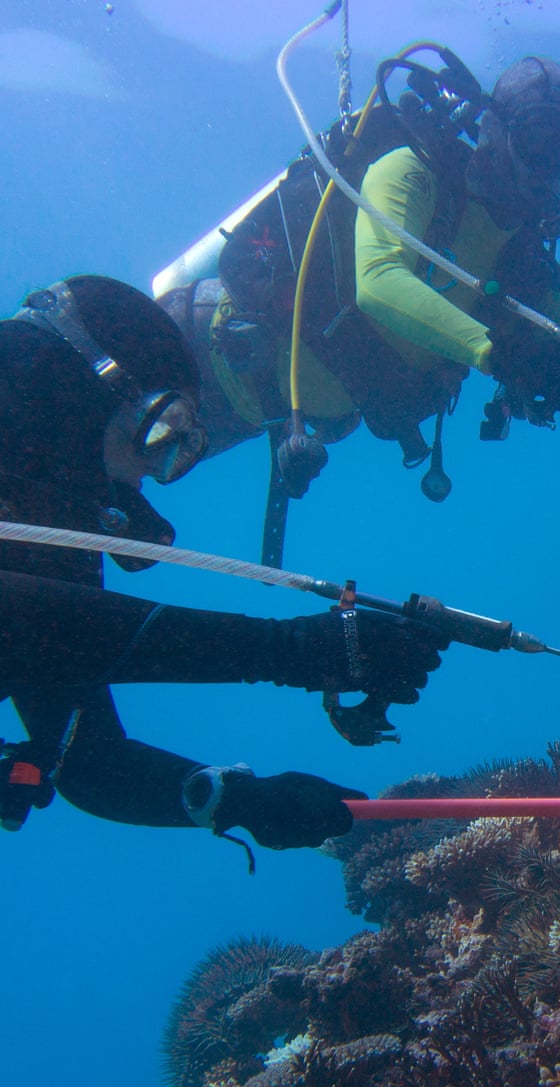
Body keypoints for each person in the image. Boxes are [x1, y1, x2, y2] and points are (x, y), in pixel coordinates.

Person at [155, 53, 560, 519]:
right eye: (538, 142)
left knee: (113, 495)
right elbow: (378, 281)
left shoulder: (519, 269)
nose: (550, 170)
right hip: (197, 347)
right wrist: (499, 352)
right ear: (496, 133)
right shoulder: (411, 171)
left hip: (266, 412)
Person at [0, 275, 449, 850]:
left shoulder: (43, 532)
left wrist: (235, 800)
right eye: (158, 433)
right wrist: (289, 651)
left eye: (177, 450)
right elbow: (24, 625)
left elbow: (85, 758)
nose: (148, 476)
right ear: (76, 394)